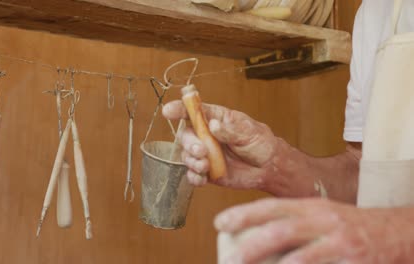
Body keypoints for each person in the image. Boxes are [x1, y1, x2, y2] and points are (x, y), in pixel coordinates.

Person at [162, 0, 414, 263]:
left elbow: (381, 226)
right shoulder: (377, 11)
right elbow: (362, 178)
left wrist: (395, 233)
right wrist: (277, 163)